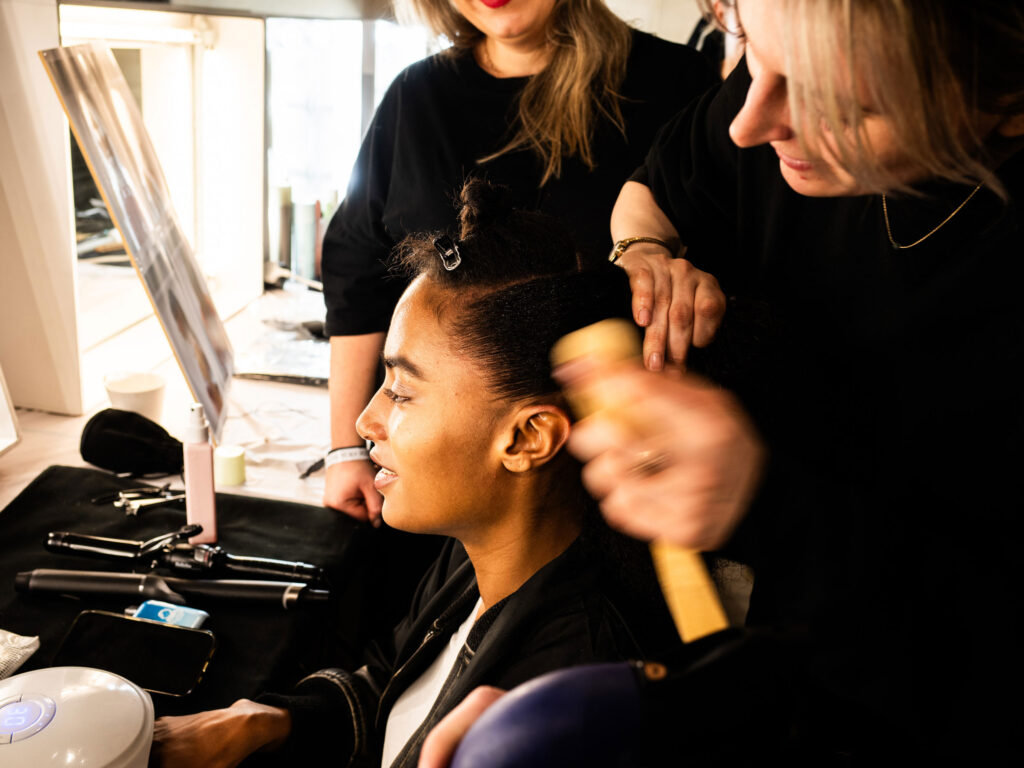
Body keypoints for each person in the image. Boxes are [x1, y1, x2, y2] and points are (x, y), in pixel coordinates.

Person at [422, 0, 1024, 763]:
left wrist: (766, 506)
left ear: (1005, 102)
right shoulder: (767, 112)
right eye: (750, 57)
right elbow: (659, 187)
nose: (750, 123)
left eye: (839, 104)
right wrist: (644, 254)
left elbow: (982, 669)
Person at [150, 182, 680, 768]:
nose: (364, 419)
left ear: (527, 438)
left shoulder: (558, 710)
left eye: (401, 392)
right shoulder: (476, 561)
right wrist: (269, 720)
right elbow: (390, 678)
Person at [322, 0, 717, 525]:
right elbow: (356, 277)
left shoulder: (676, 83)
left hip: (615, 477)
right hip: (432, 473)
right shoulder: (416, 96)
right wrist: (346, 449)